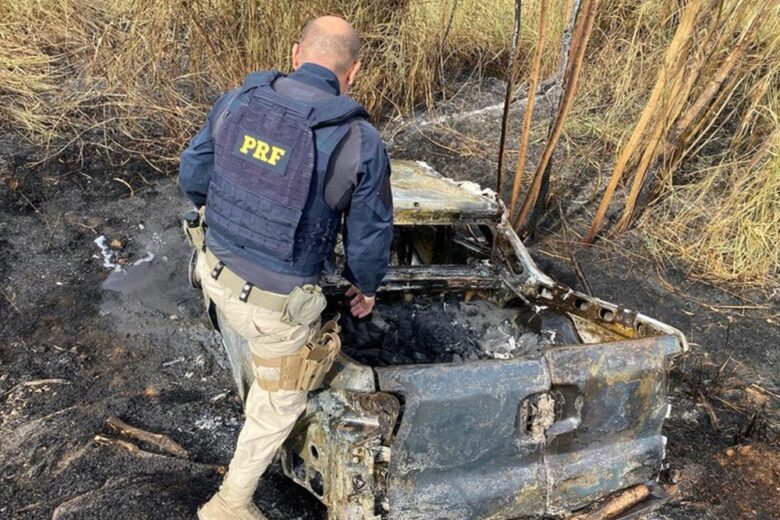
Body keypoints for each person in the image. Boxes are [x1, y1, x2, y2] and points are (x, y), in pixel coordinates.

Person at [178, 16, 393, 520]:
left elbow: (194, 175)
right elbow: (369, 236)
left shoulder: (237, 101)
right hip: (275, 311)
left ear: (297, 53)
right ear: (354, 71)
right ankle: (229, 504)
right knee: (282, 400)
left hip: (211, 273)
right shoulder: (359, 140)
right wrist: (366, 289)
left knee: (256, 333)